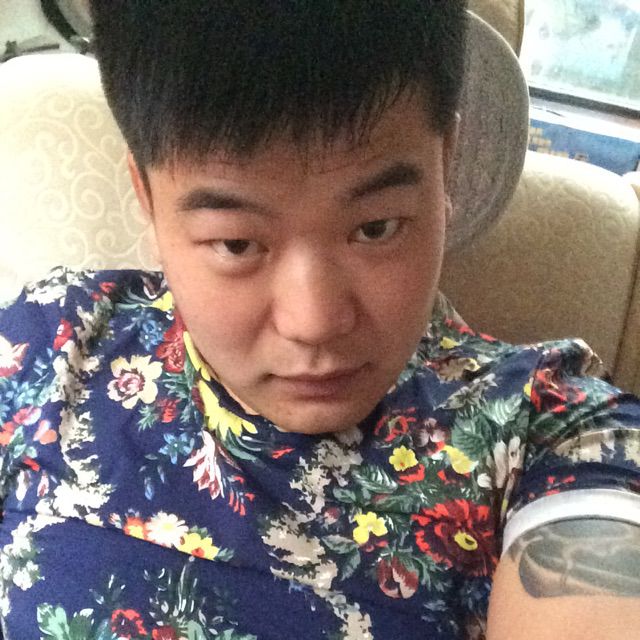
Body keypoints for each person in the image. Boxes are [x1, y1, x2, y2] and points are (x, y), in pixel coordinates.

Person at [0, 1, 638, 638]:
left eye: (376, 228)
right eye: (236, 244)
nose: (315, 323)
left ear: (447, 163)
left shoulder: (552, 435)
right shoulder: (50, 343)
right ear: (145, 193)